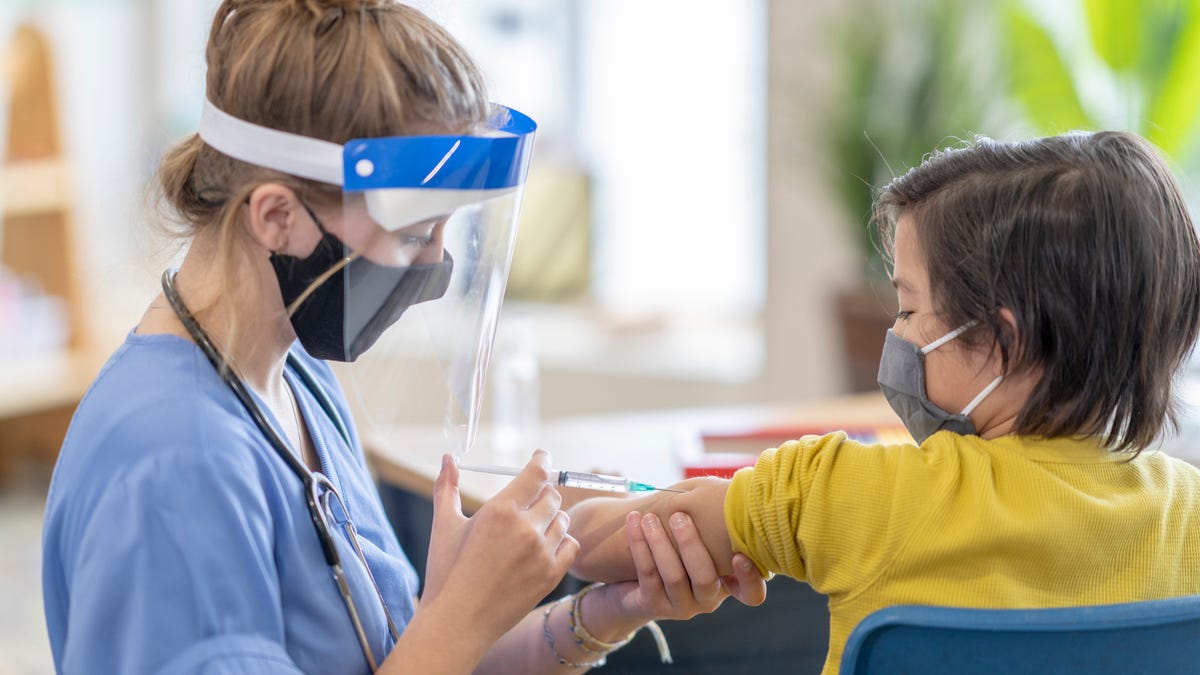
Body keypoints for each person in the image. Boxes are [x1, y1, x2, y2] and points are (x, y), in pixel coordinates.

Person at [40, 1, 767, 673]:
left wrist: (600, 611)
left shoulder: (295, 382)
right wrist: (463, 609)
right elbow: (436, 644)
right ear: (275, 217)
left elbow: (404, 656)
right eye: (416, 231)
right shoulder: (171, 467)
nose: (438, 263)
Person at [566, 130, 1200, 674]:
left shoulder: (843, 491)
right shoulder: (1189, 519)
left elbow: (589, 542)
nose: (896, 335)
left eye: (909, 307)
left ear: (1001, 342)